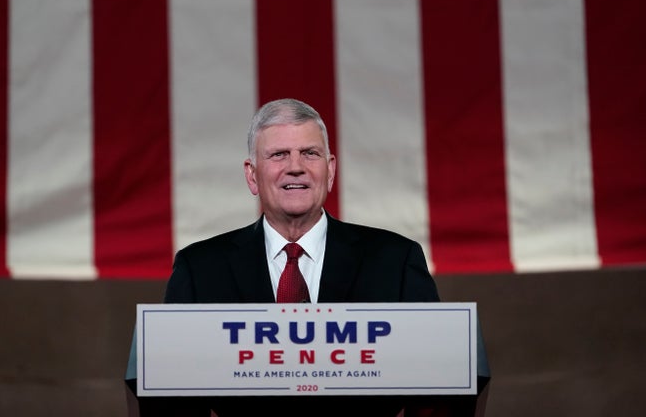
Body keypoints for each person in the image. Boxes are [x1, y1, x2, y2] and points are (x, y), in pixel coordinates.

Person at [163, 98, 441, 417]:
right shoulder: (199, 269)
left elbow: (434, 380)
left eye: (309, 153)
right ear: (252, 175)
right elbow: (175, 392)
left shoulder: (396, 261)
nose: (296, 166)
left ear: (331, 170)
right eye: (279, 154)